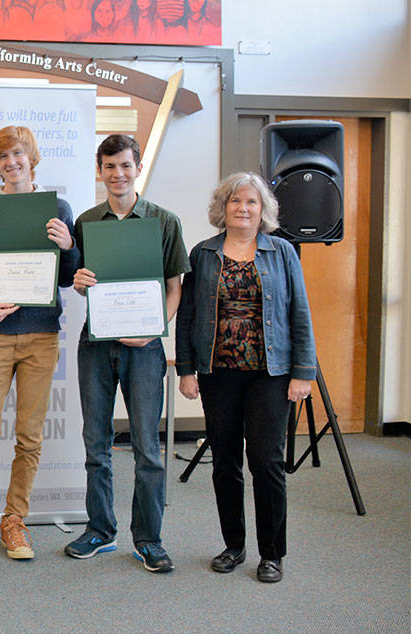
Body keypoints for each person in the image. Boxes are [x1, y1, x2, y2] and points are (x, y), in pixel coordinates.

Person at [176, 172, 316, 584]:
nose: (243, 208)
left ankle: (272, 553)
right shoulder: (203, 254)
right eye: (235, 201)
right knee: (224, 462)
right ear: (223, 209)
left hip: (270, 374)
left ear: (263, 210)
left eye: (252, 202)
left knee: (267, 463)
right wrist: (186, 369)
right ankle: (233, 545)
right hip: (218, 373)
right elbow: (187, 317)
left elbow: (300, 314)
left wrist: (302, 373)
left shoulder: (283, 252)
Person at [0, 125, 79, 558]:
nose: (11, 162)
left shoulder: (57, 207)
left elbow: (67, 278)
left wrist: (70, 246)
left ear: (33, 158)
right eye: (3, 156)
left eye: (19, 154)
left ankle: (14, 519)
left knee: (29, 435)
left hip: (42, 335)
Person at [67, 134, 189, 572]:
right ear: (100, 172)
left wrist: (155, 328)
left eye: (125, 166)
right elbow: (80, 279)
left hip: (145, 349)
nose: (118, 174)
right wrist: (79, 283)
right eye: (109, 167)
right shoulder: (86, 221)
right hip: (96, 345)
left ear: (137, 168)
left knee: (147, 448)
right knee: (95, 443)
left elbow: (175, 288)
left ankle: (148, 538)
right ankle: (100, 530)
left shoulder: (164, 221)